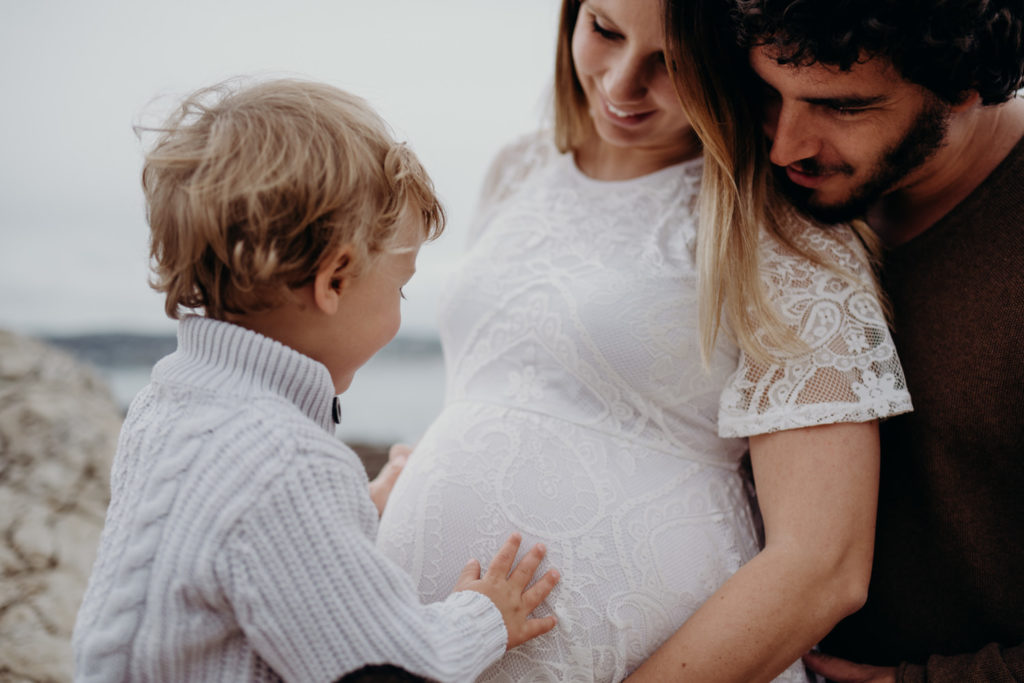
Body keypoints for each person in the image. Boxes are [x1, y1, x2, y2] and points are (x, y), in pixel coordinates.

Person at [376, 0, 912, 680]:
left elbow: (822, 566)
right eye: (603, 30)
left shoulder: (778, 225)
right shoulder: (520, 166)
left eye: (673, 63)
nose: (623, 83)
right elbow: (503, 389)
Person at [71, 78, 560, 683]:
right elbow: (387, 662)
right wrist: (486, 616)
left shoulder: (164, 402)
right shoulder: (287, 464)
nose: (402, 304)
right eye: (400, 285)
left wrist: (349, 508)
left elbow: (239, 549)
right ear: (334, 281)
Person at [691, 0, 1023, 680]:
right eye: (770, 92)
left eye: (841, 107)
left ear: (961, 88)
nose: (784, 144)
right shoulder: (761, 192)